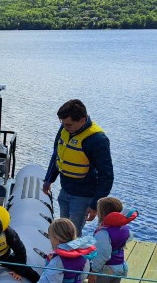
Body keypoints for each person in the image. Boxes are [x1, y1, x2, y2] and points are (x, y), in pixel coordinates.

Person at [42, 99, 114, 236]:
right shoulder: (65, 129)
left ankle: (73, 256)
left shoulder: (97, 140)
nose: (65, 127)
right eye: (62, 123)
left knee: (73, 233)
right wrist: (49, 179)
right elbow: (57, 155)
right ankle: (60, 256)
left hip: (83, 195)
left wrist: (94, 205)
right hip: (65, 191)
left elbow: (107, 175)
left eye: (68, 124)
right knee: (63, 228)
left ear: (82, 120)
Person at [80, 197, 138, 283]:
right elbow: (130, 237)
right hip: (121, 266)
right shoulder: (124, 227)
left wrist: (93, 271)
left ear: (103, 215)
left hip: (109, 267)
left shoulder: (103, 232)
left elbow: (103, 255)